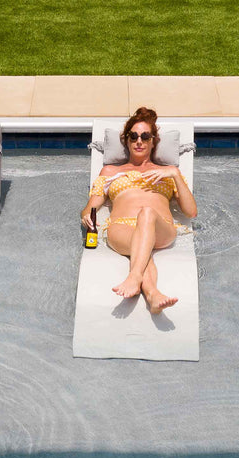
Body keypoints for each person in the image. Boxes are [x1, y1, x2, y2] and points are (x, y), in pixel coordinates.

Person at [80, 107, 197, 314]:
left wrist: (176, 174)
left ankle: (134, 277)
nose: (139, 141)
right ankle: (153, 295)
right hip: (121, 230)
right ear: (127, 141)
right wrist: (86, 217)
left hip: (161, 227)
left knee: (147, 213)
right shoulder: (110, 171)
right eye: (133, 136)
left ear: (153, 141)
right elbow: (90, 208)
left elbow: (191, 212)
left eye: (145, 136)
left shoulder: (167, 173)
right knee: (143, 244)